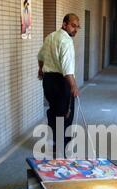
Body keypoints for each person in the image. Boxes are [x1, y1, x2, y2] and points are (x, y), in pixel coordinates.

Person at [37, 14, 80, 155]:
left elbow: (40, 56)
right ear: (64, 24)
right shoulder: (66, 41)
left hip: (48, 81)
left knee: (54, 110)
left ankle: (53, 141)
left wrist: (40, 70)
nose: (76, 29)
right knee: (65, 114)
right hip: (62, 82)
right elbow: (67, 70)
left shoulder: (50, 37)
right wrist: (73, 86)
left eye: (77, 26)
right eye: (73, 25)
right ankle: (63, 146)